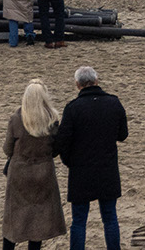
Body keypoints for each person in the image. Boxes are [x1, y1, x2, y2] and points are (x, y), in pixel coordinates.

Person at [55, 64, 129, 250]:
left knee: (79, 220)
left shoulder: (73, 108)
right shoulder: (114, 103)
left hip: (81, 170)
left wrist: (69, 161)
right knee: (110, 217)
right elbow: (123, 135)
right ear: (96, 81)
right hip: (107, 168)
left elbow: (62, 141)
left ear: (78, 85)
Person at [3, 78, 68, 250]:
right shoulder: (52, 119)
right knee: (38, 220)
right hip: (43, 171)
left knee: (13, 219)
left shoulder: (16, 119)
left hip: (20, 172)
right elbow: (55, 149)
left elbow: (7, 149)